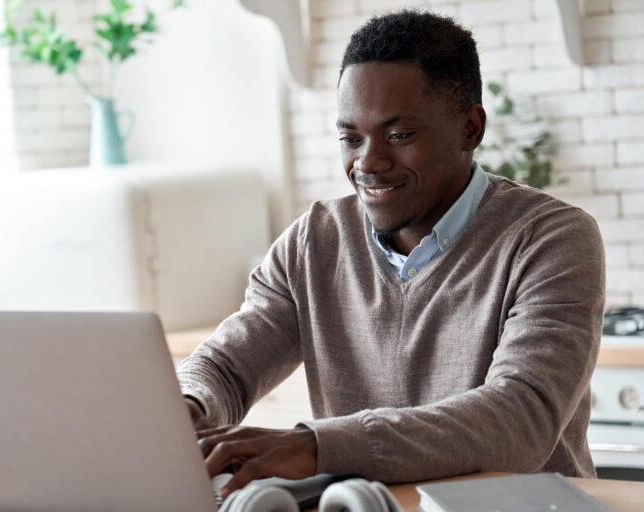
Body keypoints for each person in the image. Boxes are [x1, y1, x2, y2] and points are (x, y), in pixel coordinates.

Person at [177, 10, 605, 499]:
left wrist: (318, 446)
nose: (368, 162)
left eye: (398, 136)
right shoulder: (313, 241)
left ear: (470, 128)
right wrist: (180, 409)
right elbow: (226, 367)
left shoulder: (551, 238)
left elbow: (520, 418)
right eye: (350, 138)